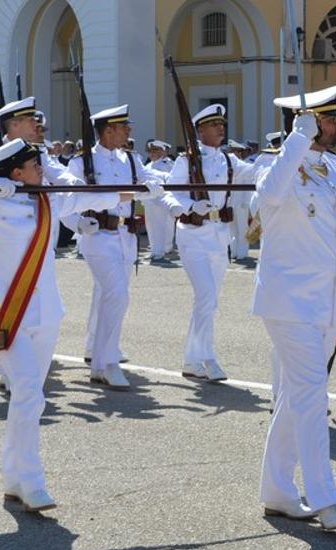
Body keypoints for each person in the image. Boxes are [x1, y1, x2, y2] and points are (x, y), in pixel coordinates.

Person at [0, 138, 139, 512]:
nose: (42, 170)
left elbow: (96, 196)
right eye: (34, 166)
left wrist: (142, 191)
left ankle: (13, 475)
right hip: (11, 315)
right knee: (30, 394)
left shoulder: (49, 199)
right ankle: (32, 481)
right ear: (16, 172)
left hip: (48, 314)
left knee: (27, 398)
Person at [253, 85, 336, 530]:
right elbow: (265, 201)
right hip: (287, 301)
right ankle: (325, 500)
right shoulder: (275, 165)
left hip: (327, 302)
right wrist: (295, 144)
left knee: (295, 398)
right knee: (311, 395)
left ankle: (277, 490)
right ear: (305, 123)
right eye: (331, 117)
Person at [66, 105, 165, 389]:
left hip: (126, 236)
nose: (129, 131)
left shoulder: (130, 160)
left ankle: (100, 358)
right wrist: (77, 225)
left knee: (113, 296)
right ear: (109, 130)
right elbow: (64, 198)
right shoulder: (83, 162)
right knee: (117, 294)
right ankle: (106, 362)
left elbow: (151, 181)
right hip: (98, 236)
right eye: (124, 127)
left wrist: (161, 191)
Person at [162, 104, 253, 382]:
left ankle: (195, 359)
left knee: (210, 302)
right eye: (215, 125)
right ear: (200, 130)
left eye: (222, 125)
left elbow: (255, 171)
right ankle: (204, 357)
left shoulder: (229, 161)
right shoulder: (187, 160)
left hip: (219, 235)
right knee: (206, 297)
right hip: (193, 235)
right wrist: (190, 206)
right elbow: (170, 194)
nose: (221, 129)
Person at [143, 140, 177, 260]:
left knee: (162, 226)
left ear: (162, 152)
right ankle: (155, 249)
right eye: (150, 151)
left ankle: (161, 250)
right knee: (151, 226)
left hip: (161, 200)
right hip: (149, 200)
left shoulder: (167, 165)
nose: (151, 153)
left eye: (155, 150)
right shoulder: (148, 165)